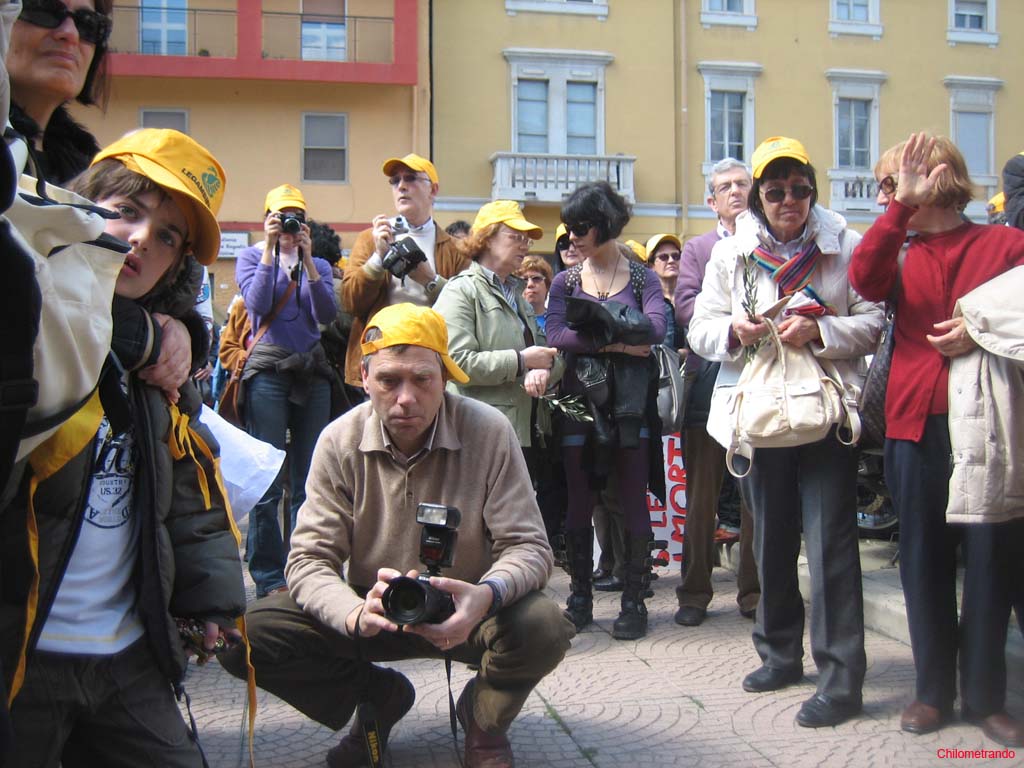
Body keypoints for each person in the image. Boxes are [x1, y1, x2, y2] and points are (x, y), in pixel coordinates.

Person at [218, 303, 575, 768]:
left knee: (544, 626)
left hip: (465, 605)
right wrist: (351, 614)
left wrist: (485, 595)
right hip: (372, 606)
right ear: (364, 378)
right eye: (388, 381)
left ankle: (484, 718)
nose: (405, 398)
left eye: (422, 380)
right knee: (245, 638)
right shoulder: (338, 440)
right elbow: (308, 559)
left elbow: (528, 547)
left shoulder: (489, 432)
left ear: (444, 378)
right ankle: (379, 697)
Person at [1, 127, 245, 765]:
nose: (141, 239)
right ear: (81, 204)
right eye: (127, 211)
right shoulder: (29, 328)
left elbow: (188, 483)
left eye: (167, 235)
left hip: (128, 653)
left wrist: (209, 594)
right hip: (24, 650)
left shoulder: (161, 368)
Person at [689, 136, 883, 728]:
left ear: (812, 191)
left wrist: (819, 334)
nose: (788, 199)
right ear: (758, 199)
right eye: (774, 190)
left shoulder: (844, 245)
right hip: (759, 417)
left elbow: (874, 322)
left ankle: (840, 679)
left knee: (830, 547)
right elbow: (700, 330)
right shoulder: (731, 254)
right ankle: (778, 654)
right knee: (768, 539)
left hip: (827, 416)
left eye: (799, 188)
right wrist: (735, 331)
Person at [850, 133, 1024, 747]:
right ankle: (931, 693)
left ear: (940, 177)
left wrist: (980, 335)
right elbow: (864, 280)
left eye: (892, 183)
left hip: (987, 424)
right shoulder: (897, 247)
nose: (884, 196)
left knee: (989, 562)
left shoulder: (1005, 243)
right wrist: (897, 210)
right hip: (912, 424)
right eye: (886, 187)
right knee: (921, 560)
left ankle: (985, 698)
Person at [545, 181, 667, 640]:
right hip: (579, 402)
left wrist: (600, 336)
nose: (571, 237)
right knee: (581, 497)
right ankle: (580, 597)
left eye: (580, 228)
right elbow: (556, 334)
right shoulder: (566, 280)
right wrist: (616, 341)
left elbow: (656, 328)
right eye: (570, 227)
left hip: (631, 404)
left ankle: (634, 601)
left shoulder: (641, 277)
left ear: (604, 226)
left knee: (633, 495)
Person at [235, 183, 337, 597]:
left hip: (311, 370)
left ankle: (303, 569)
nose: (290, 225)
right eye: (282, 217)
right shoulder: (248, 258)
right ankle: (268, 577)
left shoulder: (322, 265)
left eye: (297, 218)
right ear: (268, 221)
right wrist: (268, 252)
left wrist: (309, 262)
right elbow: (257, 304)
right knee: (267, 478)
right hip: (268, 371)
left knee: (309, 480)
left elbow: (326, 314)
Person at [672, 158, 760, 627]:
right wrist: (733, 326)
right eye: (724, 187)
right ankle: (693, 593)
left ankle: (753, 594)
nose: (734, 192)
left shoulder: (770, 245)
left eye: (742, 184)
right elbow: (686, 306)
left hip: (762, 387)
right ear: (711, 200)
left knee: (754, 497)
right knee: (702, 497)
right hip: (709, 384)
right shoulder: (699, 248)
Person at [433, 200, 562, 459]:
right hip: (478, 434)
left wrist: (544, 370)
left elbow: (550, 354)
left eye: (528, 239)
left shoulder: (516, 295)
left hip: (524, 432)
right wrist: (522, 361)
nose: (525, 244)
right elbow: (454, 362)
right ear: (487, 238)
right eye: (516, 236)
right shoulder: (461, 290)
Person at [341, 153, 469, 389]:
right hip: (382, 355)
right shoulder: (370, 239)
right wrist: (378, 259)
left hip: (430, 356)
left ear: (433, 190)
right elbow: (350, 303)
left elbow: (465, 309)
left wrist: (430, 280)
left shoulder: (455, 249)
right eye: (395, 181)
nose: (401, 186)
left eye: (410, 178)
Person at [645, 233, 681, 348]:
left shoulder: (691, 296)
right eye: (663, 257)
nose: (671, 261)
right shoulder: (646, 300)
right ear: (651, 265)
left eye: (676, 256)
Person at [518, 255, 553, 331]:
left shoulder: (557, 321)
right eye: (524, 279)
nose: (530, 284)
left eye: (536, 278)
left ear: (547, 285)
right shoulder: (510, 320)